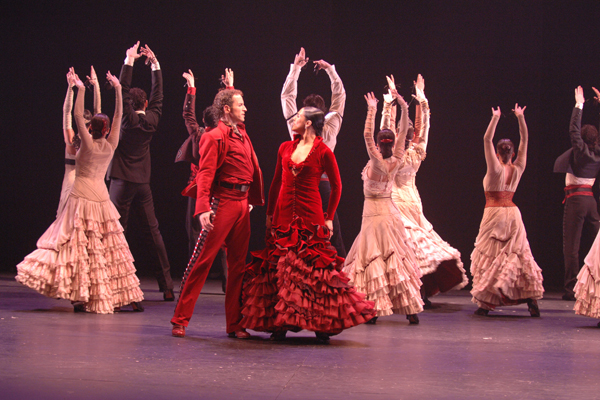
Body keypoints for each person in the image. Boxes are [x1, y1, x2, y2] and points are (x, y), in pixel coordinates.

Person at [240, 106, 376, 343]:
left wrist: (329, 216)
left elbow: (337, 186)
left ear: (310, 123)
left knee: (312, 269)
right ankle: (280, 321)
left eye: (299, 116)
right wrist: (270, 213)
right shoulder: (285, 147)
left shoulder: (323, 151)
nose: (295, 119)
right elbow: (275, 183)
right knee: (281, 267)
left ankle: (321, 322)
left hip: (311, 215)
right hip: (283, 214)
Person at [16, 68, 143, 313]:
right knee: (102, 246)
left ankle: (80, 294)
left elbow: (74, 115)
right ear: (104, 130)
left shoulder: (84, 143)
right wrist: (117, 89)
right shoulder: (109, 144)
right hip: (99, 197)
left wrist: (79, 88)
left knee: (77, 245)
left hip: (81, 194)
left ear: (90, 127)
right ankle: (101, 292)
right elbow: (116, 117)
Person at [171, 84, 264, 339]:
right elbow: (205, 174)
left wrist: (231, 87)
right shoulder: (213, 136)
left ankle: (234, 323)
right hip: (221, 202)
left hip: (242, 204)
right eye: (239, 104)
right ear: (226, 109)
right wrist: (202, 208)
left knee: (238, 267)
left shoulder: (242, 134)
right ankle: (180, 318)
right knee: (201, 261)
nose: (245, 108)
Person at [383, 75, 468, 307]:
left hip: (397, 200)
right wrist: (421, 99)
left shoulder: (393, 152)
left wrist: (389, 102)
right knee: (414, 245)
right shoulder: (418, 151)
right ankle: (415, 290)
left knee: (402, 246)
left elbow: (386, 128)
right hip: (412, 199)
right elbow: (424, 127)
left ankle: (407, 290)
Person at [343, 91, 423, 324]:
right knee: (395, 256)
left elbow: (367, 134)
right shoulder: (397, 157)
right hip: (389, 213)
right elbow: (400, 136)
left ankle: (373, 309)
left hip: (373, 214)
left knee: (372, 258)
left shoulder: (376, 160)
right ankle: (409, 310)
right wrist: (403, 106)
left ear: (378, 144)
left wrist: (372, 109)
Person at [107, 41, 174, 302]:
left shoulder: (129, 120)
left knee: (117, 232)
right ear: (145, 102)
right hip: (142, 183)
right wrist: (155, 64)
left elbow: (121, 93)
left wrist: (129, 61)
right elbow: (159, 96)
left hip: (122, 181)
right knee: (152, 231)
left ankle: (115, 284)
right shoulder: (153, 119)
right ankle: (167, 286)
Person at [470, 104, 544, 316]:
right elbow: (525, 141)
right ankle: (531, 300)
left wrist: (495, 118)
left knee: (492, 256)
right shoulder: (518, 168)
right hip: (513, 214)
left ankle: (485, 304)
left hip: (494, 214)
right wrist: (520, 117)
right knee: (518, 256)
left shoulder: (494, 168)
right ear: (513, 152)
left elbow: (486, 140)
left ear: (497, 152)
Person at [281, 47, 347, 257]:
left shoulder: (297, 123)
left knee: (298, 229)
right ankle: (339, 274)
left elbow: (287, 96)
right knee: (330, 230)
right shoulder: (331, 125)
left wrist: (296, 68)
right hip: (322, 182)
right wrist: (330, 71)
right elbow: (340, 96)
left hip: (302, 183)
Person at [176, 69, 227, 291]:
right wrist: (227, 89)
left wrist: (191, 88)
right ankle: (226, 282)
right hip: (216, 190)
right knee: (221, 239)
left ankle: (192, 280)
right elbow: (225, 114)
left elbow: (188, 115)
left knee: (195, 236)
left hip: (200, 188)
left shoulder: (200, 134)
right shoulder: (224, 134)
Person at [554, 86, 600, 301]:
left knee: (571, 245)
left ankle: (571, 287)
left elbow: (573, 129)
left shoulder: (580, 151)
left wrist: (579, 104)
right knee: (596, 243)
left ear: (582, 140)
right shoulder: (597, 152)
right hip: (591, 202)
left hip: (576, 201)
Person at [58, 66, 99, 216]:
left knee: (67, 223)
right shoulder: (93, 140)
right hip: (86, 185)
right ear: (91, 125)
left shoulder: (71, 138)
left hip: (72, 183)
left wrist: (71, 88)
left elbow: (67, 113)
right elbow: (98, 111)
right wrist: (96, 85)